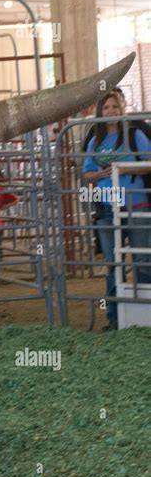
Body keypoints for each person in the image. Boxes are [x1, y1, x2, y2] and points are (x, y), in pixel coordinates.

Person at [82, 91, 151, 331]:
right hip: (107, 207)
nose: (110, 111)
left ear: (122, 108)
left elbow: (149, 163)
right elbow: (86, 172)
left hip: (135, 203)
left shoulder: (135, 134)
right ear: (99, 112)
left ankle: (145, 315)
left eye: (114, 106)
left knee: (142, 258)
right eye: (106, 108)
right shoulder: (94, 141)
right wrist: (98, 174)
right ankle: (114, 318)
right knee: (113, 263)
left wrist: (122, 168)